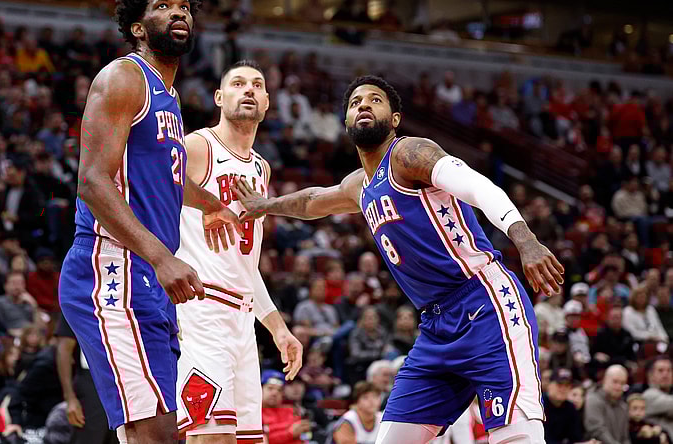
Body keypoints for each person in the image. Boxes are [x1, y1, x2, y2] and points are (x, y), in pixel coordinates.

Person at [234, 75, 564, 443]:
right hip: (436, 326)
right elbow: (312, 202)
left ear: (394, 119)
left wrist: (525, 239)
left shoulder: (410, 154)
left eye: (375, 100)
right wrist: (265, 205)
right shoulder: (358, 186)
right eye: (355, 101)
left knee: (516, 437)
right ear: (345, 120)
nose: (363, 105)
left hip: (485, 302)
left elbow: (477, 186)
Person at [58, 1, 240, 443]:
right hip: (113, 266)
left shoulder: (169, 96)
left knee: (152, 432)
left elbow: (166, 179)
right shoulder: (124, 78)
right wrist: (162, 257)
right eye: (163, 5)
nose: (179, 12)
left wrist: (212, 203)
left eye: (184, 6)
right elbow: (92, 182)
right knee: (157, 433)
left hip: (148, 275)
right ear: (138, 26)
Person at [173, 60, 303, 444]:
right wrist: (207, 203)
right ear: (219, 97)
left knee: (248, 440)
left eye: (257, 85)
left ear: (266, 101)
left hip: (243, 321)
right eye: (238, 83)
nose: (248, 89)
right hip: (201, 308)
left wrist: (278, 330)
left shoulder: (261, 168)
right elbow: (145, 180)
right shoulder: (199, 146)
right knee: (211, 438)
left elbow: (245, 266)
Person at [55, 313, 117, 444]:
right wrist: (70, 398)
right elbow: (64, 350)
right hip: (91, 380)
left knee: (121, 438)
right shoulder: (77, 297)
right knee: (90, 438)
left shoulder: (127, 298)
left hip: (124, 379)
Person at [584, 365, 630, 444]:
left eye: (622, 383)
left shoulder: (624, 407)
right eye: (615, 381)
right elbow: (597, 430)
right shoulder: (593, 399)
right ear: (604, 380)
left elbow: (625, 437)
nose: (618, 387)